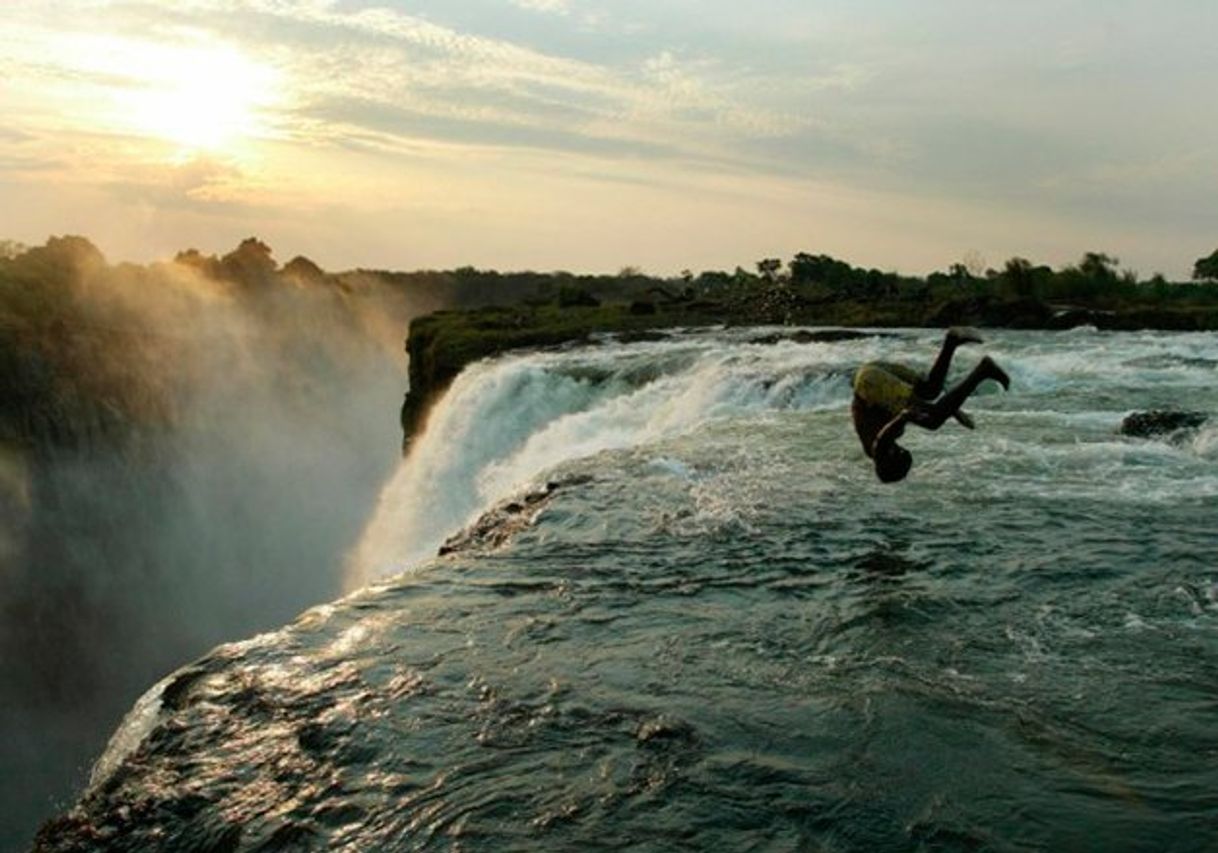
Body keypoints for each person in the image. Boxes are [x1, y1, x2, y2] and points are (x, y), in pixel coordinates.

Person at [852, 328, 1010, 482]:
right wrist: (954, 411)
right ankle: (952, 340)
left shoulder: (877, 452)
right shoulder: (886, 438)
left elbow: (882, 438)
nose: (900, 451)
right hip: (870, 374)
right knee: (930, 390)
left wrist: (903, 418)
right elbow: (921, 407)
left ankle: (983, 371)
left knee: (933, 421)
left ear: (890, 463)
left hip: (871, 385)